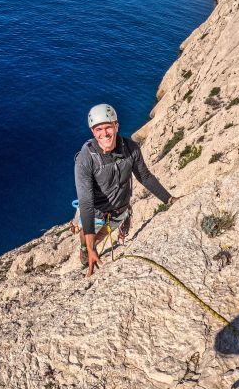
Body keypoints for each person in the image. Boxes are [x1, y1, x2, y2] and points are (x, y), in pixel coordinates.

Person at [74, 103, 177, 276]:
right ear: (93, 132)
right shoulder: (85, 159)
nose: (104, 133)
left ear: (116, 126)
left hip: (119, 209)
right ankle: (85, 248)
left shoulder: (131, 149)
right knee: (86, 234)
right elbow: (85, 203)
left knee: (105, 232)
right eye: (98, 129)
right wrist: (89, 248)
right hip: (96, 212)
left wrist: (169, 200)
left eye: (108, 127)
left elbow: (144, 177)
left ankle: (93, 245)